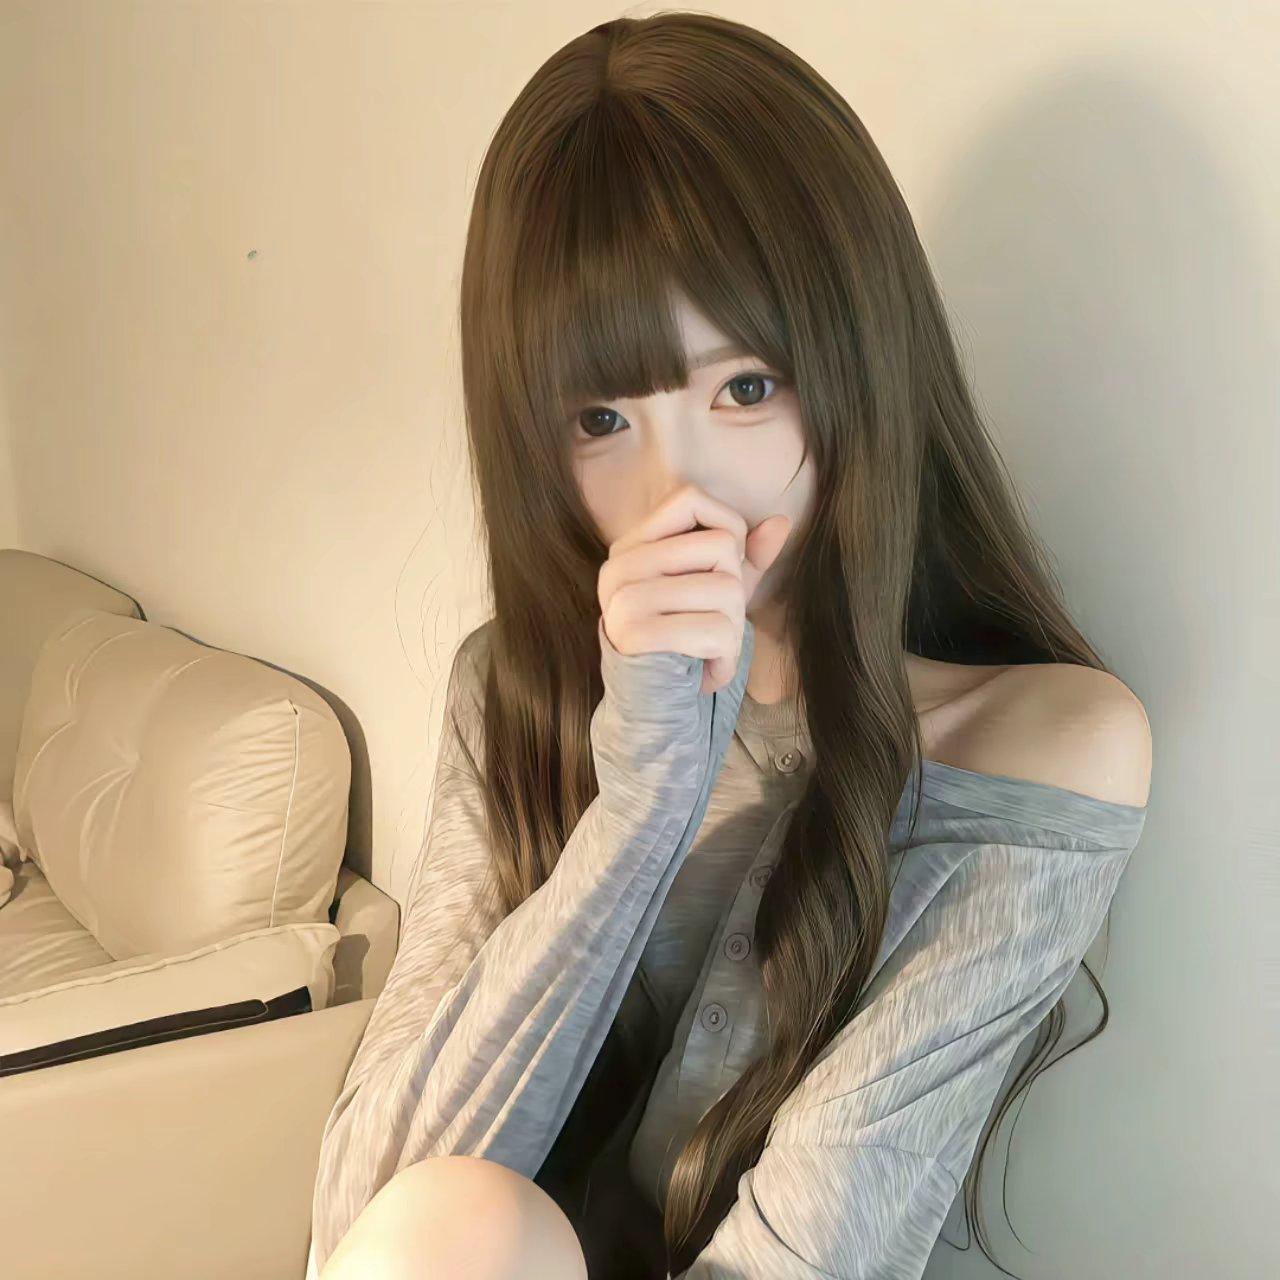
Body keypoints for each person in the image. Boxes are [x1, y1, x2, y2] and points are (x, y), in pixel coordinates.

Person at [308, 11, 1152, 1279]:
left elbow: (811, 1249)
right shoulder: (514, 686)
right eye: (600, 418)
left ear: (856, 362)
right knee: (458, 1218)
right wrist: (639, 807)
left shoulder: (1032, 751)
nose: (679, 490)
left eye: (744, 388)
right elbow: (363, 1218)